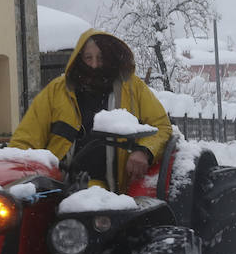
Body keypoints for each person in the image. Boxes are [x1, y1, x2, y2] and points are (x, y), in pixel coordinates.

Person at [9, 29, 171, 192]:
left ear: (110, 58)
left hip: (116, 195)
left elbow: (161, 127)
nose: (94, 65)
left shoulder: (133, 89)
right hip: (57, 192)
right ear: (79, 59)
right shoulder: (56, 91)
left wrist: (144, 151)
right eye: (88, 58)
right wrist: (13, 180)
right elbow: (24, 142)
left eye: (100, 58)